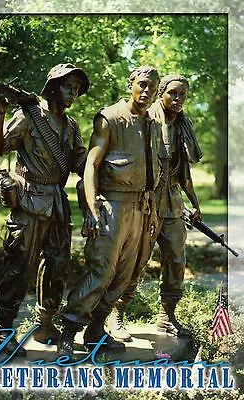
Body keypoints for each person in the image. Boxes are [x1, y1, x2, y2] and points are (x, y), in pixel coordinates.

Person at [0, 63, 89, 356]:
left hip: (57, 202)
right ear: (53, 86)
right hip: (30, 201)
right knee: (19, 268)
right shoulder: (29, 116)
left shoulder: (71, 126)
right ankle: (4, 332)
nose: (73, 93)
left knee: (58, 267)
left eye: (77, 89)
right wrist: (0, 114)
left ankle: (45, 324)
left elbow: (81, 163)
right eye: (69, 86)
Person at [58, 65, 161, 357]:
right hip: (112, 205)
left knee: (125, 275)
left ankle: (95, 330)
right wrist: (91, 207)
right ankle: (69, 328)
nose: (146, 91)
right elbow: (91, 165)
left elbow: (153, 168)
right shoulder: (110, 117)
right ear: (131, 84)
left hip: (141, 207)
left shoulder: (152, 122)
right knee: (100, 272)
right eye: (142, 84)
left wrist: (151, 210)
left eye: (152, 88)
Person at [108, 74, 202, 341]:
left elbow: (182, 172)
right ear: (161, 93)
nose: (177, 99)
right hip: (147, 198)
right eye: (172, 93)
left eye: (182, 94)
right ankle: (116, 314)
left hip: (173, 200)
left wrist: (195, 203)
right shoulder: (148, 120)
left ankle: (166, 316)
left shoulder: (183, 125)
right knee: (136, 259)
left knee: (176, 258)